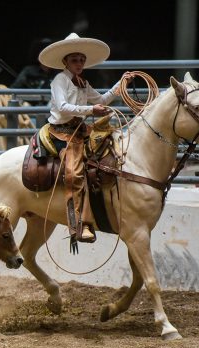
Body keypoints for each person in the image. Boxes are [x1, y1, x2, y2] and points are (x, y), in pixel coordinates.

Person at [38, 33, 133, 245]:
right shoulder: (59, 80)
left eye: (81, 60)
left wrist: (120, 83)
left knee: (110, 146)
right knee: (75, 171)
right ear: (65, 62)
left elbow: (101, 99)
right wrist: (91, 109)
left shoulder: (82, 82)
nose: (79, 63)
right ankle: (78, 223)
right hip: (61, 131)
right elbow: (63, 107)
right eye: (74, 60)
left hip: (80, 129)